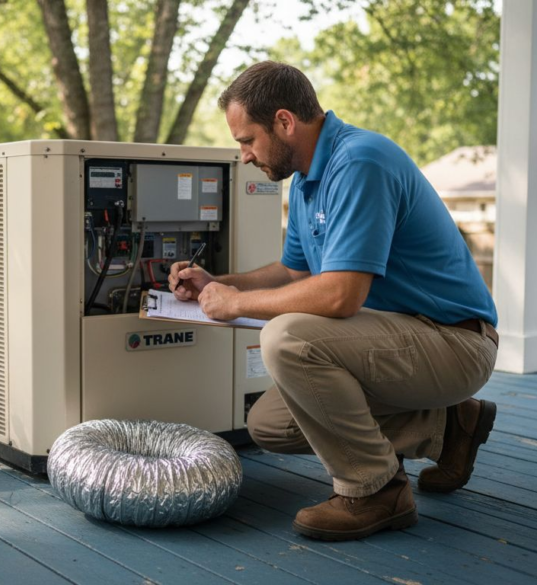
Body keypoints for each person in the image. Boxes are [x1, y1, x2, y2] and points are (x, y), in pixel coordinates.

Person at [169, 61, 499, 541]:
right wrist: (216, 282)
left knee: (287, 337)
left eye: (247, 140)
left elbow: (342, 294)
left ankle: (376, 490)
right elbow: (294, 272)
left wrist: (237, 303)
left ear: (285, 122)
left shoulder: (361, 161)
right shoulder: (306, 179)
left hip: (453, 342)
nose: (242, 156)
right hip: (396, 337)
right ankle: (448, 425)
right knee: (271, 425)